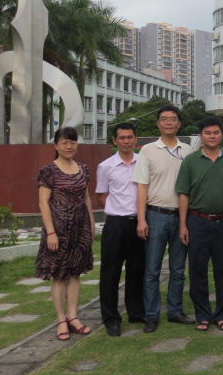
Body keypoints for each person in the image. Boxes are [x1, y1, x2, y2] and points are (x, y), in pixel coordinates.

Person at [132, 105, 194, 333]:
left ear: (179, 124)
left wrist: (186, 222)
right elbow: (141, 186)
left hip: (181, 217)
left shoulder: (187, 150)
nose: (169, 123)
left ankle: (175, 310)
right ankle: (151, 314)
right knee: (152, 270)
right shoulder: (147, 151)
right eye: (164, 119)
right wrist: (141, 219)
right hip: (155, 214)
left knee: (178, 269)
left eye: (173, 119)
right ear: (158, 123)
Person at [176, 116, 223, 332]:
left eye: (216, 133)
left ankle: (222, 314)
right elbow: (183, 194)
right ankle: (202, 315)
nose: (212, 137)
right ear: (201, 136)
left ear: (222, 135)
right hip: (197, 222)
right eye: (207, 133)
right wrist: (183, 225)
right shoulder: (190, 161)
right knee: (197, 270)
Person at [35, 126, 95, 341]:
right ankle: (61, 320)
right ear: (56, 146)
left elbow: (86, 198)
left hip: (80, 227)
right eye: (64, 142)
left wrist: (91, 223)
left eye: (72, 142)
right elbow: (43, 203)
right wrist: (51, 232)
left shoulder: (83, 168)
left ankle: (73, 316)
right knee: (59, 274)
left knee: (75, 272)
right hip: (58, 228)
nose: (69, 146)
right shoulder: (49, 170)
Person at [96, 122, 144, 337]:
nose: (126, 141)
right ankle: (111, 318)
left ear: (136, 139)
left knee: (137, 269)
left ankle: (135, 311)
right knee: (110, 272)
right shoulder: (106, 166)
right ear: (114, 141)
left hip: (138, 222)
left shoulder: (142, 162)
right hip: (115, 224)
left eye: (130, 137)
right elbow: (101, 194)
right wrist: (117, 209)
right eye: (122, 138)